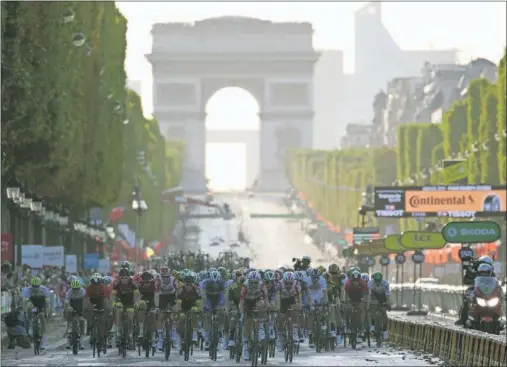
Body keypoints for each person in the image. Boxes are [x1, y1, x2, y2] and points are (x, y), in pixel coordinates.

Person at [239, 270, 267, 361]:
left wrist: (267, 309)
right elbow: (241, 301)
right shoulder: (245, 285)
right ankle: (245, 347)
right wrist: (242, 313)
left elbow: (266, 298)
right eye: (252, 282)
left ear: (258, 281)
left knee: (261, 304)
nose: (254, 284)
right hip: (247, 302)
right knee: (247, 322)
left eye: (256, 282)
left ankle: (261, 326)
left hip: (257, 300)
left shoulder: (262, 285)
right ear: (249, 281)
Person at [111, 267, 140, 346]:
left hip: (130, 302)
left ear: (129, 277)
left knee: (130, 317)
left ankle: (130, 334)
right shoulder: (117, 283)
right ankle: (118, 330)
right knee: (118, 309)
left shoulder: (132, 283)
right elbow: (113, 295)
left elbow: (137, 295)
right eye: (122, 277)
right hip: (120, 302)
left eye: (126, 277)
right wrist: (113, 303)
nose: (124, 279)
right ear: (119, 277)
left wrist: (137, 303)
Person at [22, 277, 50, 350]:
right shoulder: (27, 290)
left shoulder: (44, 290)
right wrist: (25, 312)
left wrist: (46, 312)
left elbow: (47, 303)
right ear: (31, 286)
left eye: (37, 286)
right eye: (34, 286)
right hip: (33, 304)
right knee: (29, 306)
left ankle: (43, 341)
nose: (35, 288)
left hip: (41, 304)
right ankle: (31, 324)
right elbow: (25, 302)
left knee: (42, 316)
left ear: (39, 286)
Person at [344, 271, 368, 342]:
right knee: (347, 309)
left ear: (359, 280)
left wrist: (365, 302)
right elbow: (345, 294)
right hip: (350, 299)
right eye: (354, 281)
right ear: (351, 280)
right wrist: (345, 302)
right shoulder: (348, 284)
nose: (355, 282)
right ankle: (347, 324)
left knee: (361, 311)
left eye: (357, 281)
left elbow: (366, 294)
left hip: (360, 300)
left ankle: (360, 329)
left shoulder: (363, 284)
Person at [368, 271, 391, 340]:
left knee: (384, 313)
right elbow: (368, 294)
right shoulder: (370, 283)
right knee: (372, 311)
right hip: (373, 298)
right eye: (376, 281)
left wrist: (387, 303)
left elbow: (387, 295)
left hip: (382, 298)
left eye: (379, 280)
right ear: (374, 279)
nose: (377, 282)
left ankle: (385, 330)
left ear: (381, 279)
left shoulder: (385, 283)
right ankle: (372, 325)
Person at [64, 278, 86, 350]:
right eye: (74, 289)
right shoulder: (69, 292)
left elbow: (86, 302)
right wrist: (68, 307)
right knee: (69, 323)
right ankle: (67, 340)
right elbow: (66, 301)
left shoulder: (83, 292)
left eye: (77, 289)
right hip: (72, 308)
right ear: (72, 288)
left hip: (80, 308)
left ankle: (81, 341)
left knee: (82, 322)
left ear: (80, 288)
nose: (76, 290)